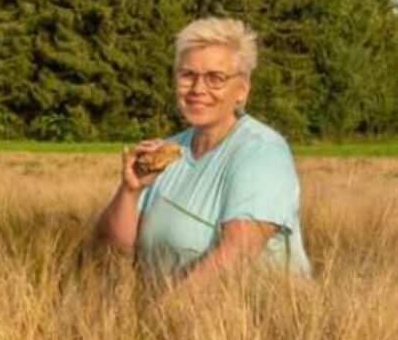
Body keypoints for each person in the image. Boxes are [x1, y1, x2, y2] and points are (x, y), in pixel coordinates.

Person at [97, 17, 310, 288]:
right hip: (174, 320)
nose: (198, 89)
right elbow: (117, 250)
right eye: (188, 75)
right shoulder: (167, 152)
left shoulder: (262, 152)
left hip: (251, 323)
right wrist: (130, 191)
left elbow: (236, 255)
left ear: (241, 90)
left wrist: (163, 317)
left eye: (215, 78)